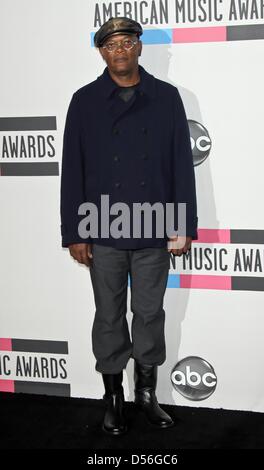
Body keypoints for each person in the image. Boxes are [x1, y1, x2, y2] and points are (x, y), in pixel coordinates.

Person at [60, 17, 198, 436]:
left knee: (150, 314)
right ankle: (114, 398)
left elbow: (179, 166)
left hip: (154, 228)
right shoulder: (84, 101)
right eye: (110, 44)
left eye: (127, 41)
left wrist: (181, 225)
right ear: (101, 52)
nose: (119, 49)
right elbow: (73, 171)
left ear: (140, 47)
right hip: (102, 229)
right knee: (108, 316)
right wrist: (75, 232)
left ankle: (146, 394)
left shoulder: (168, 98)